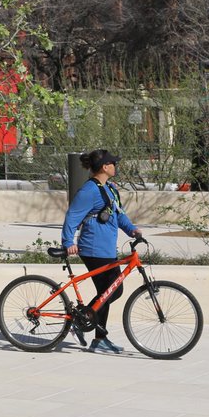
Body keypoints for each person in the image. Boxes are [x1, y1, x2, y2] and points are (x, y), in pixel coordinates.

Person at [60, 149, 142, 353]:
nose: (116, 166)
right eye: (113, 163)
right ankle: (84, 324)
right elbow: (72, 216)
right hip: (92, 248)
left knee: (109, 292)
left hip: (106, 249)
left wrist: (132, 229)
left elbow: (119, 214)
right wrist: (68, 241)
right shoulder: (89, 191)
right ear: (105, 167)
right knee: (108, 291)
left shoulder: (111, 189)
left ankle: (97, 335)